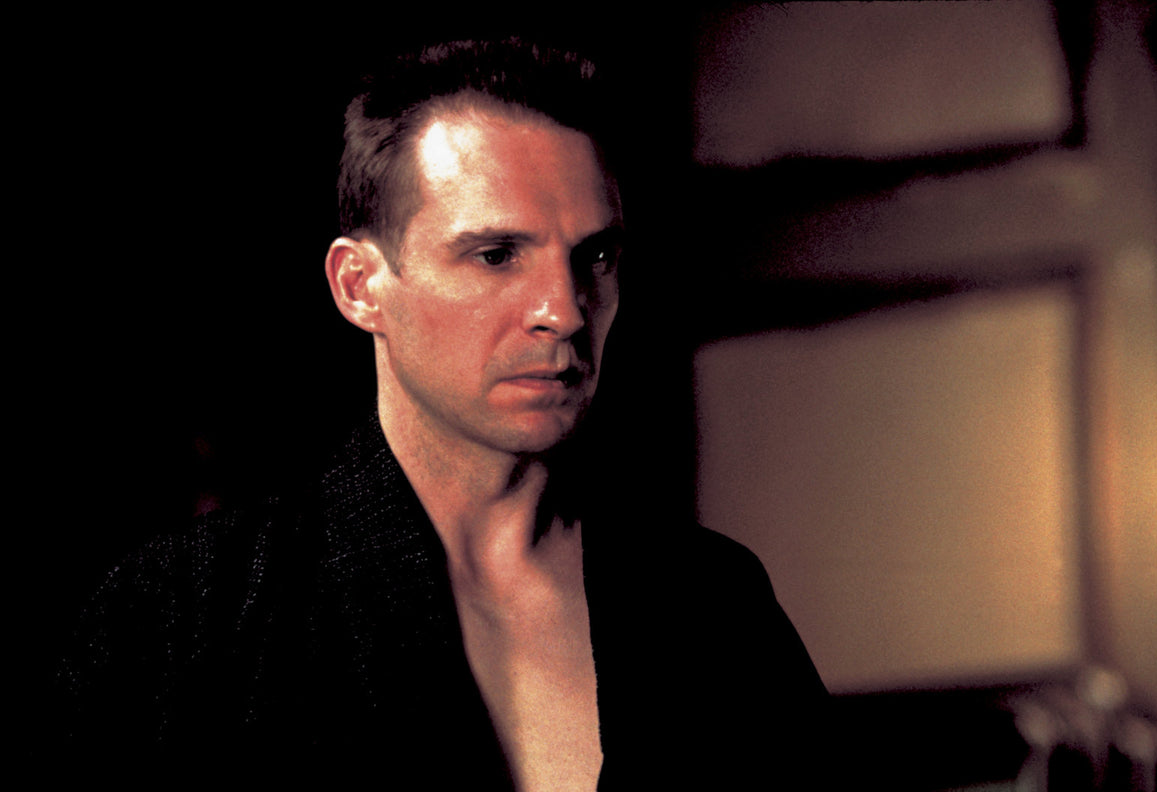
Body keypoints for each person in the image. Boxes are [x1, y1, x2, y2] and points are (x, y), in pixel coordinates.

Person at [57, 39, 833, 789]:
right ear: (360, 286)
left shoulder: (712, 605)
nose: (564, 311)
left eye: (594, 256)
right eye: (496, 255)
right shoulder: (185, 614)